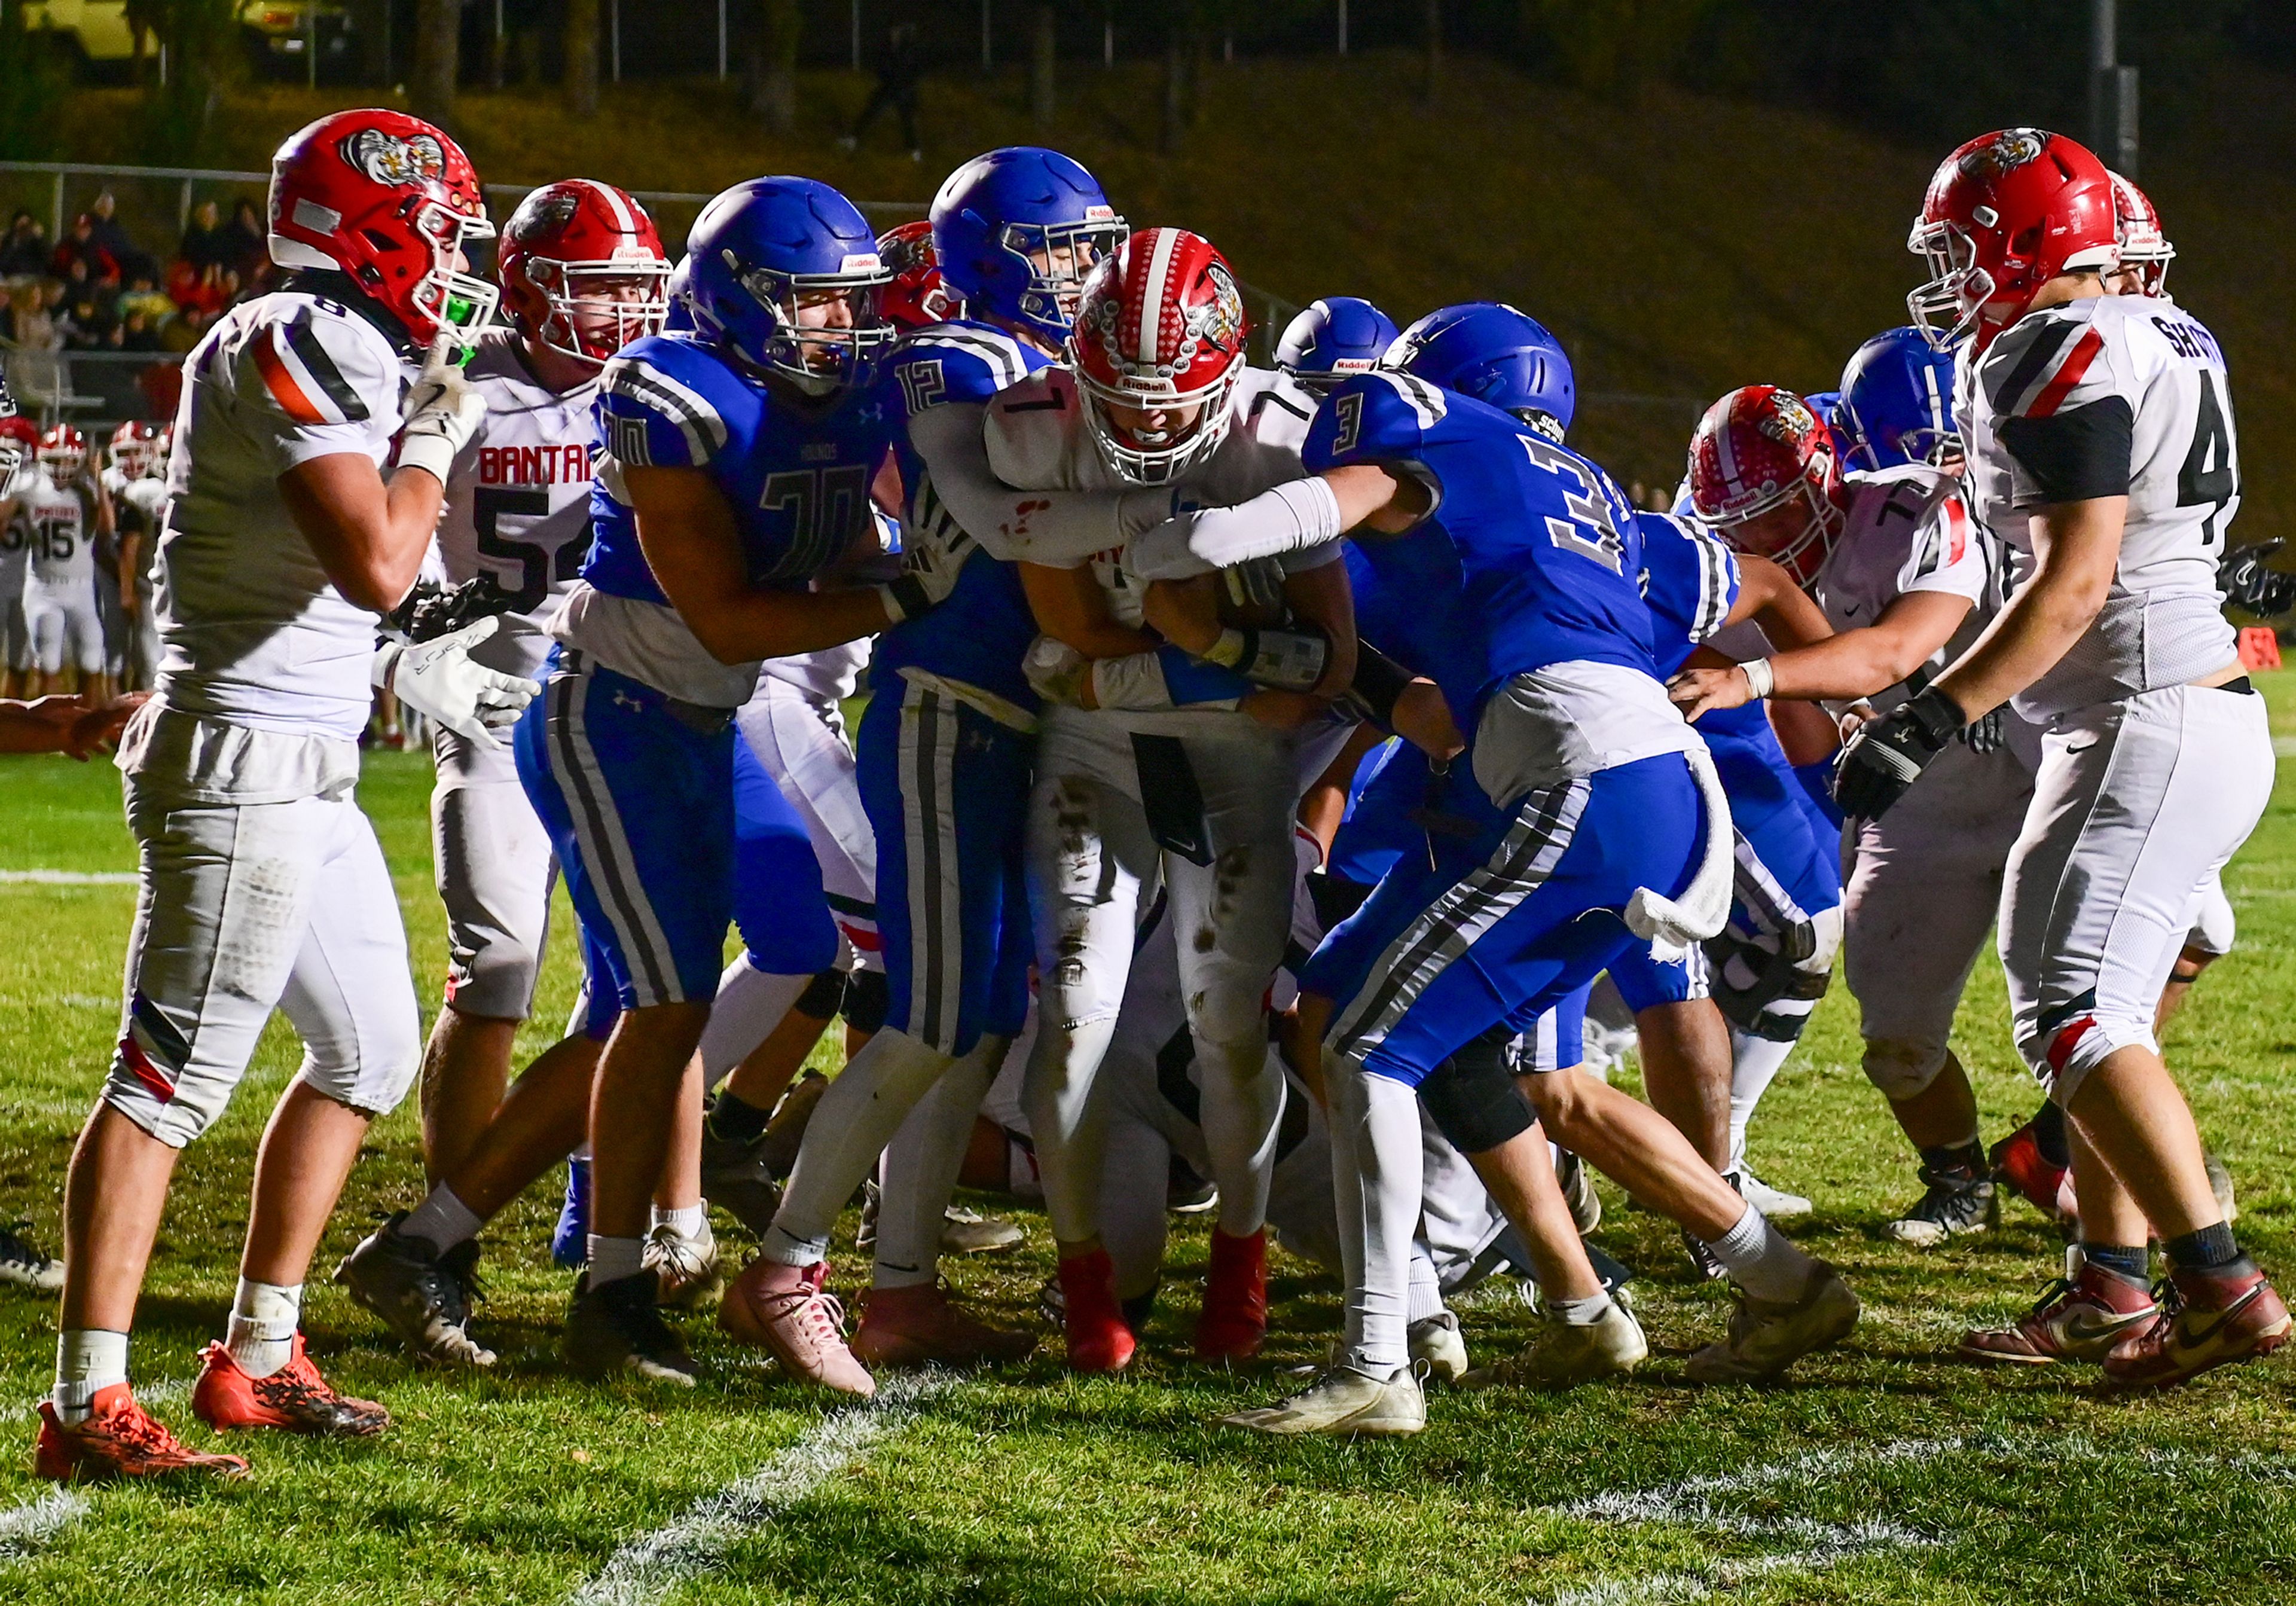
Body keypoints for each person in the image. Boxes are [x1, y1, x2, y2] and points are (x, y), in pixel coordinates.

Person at [1131, 302, 1859, 1436]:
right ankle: (1738, 1286)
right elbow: (1412, 695)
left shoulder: (1428, 465)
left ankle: (1387, 1354)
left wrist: (1168, 557)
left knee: (1392, 1046)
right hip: (1577, 788)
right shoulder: (1599, 512)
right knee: (1345, 1014)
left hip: (1573, 788)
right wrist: (1811, 709)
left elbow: (1320, 598)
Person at [34, 108, 532, 1483]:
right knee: (166, 1078)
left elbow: (373, 588)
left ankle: (258, 1350)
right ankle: (86, 1397)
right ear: (367, 229)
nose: (453, 256)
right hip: (241, 757)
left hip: (307, 758)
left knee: (369, 1050)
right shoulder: (292, 336)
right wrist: (439, 433)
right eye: (437, 228)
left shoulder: (345, 343)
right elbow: (374, 557)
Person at [1839, 127, 2285, 1385]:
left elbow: (2075, 583)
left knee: (2075, 1012)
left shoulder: (2055, 348)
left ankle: (2224, 1285)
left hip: (2144, 713)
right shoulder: (2162, 332)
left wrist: (1930, 715)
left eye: (1958, 245)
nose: (1944, 272)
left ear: (2027, 237)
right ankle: (2111, 1284)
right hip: (2170, 708)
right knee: (2091, 1012)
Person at [511, 175, 931, 1385]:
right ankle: (601, 1263)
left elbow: (843, 537)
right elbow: (735, 616)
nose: (835, 327)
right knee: (656, 999)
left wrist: (901, 549)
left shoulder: (846, 392)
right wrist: (915, 588)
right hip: (625, 703)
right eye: (810, 302)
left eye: (844, 303)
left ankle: (499, 1239)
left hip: (709, 714)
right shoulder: (671, 389)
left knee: (687, 992)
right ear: (740, 296)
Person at [725, 148, 1131, 1393]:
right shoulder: (960, 359)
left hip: (1012, 711)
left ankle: (902, 1290)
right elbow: (978, 488)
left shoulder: (1044, 367)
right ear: (1003, 257)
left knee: (980, 1019)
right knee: (932, 1012)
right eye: (1068, 249)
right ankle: (787, 1267)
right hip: (949, 705)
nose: (1090, 271)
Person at [334, 179, 689, 1369]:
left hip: (623, 698)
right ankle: (449, 1245)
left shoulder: (662, 385)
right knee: (496, 967)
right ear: (534, 287)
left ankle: (652, 1216)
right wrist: (416, 652)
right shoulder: (458, 380)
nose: (622, 314)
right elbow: (377, 548)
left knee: (653, 969)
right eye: (598, 292)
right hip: (490, 705)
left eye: (639, 289)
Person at [1668, 378, 2016, 1246]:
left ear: (1828, 477)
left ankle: (2101, 1184)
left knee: (2084, 996)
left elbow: (1894, 652)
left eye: (1777, 514)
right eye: (1737, 524)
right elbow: (1813, 745)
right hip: (1917, 796)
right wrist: (1776, 656)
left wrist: (1760, 670)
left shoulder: (1910, 511)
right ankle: (1962, 1179)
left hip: (2036, 762)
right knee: (1896, 1030)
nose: (1756, 539)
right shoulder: (1734, 559)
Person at [20, 425, 114, 703]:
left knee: (93, 659)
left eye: (68, 460)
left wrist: (98, 481)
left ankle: (87, 729)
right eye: (56, 459)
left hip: (82, 590)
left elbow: (108, 530)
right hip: (44, 589)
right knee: (48, 664)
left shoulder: (87, 491)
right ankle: (51, 732)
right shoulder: (30, 487)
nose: (62, 467)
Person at [103, 420, 169, 693]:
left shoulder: (148, 490)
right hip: (142, 585)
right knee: (142, 662)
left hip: (171, 589)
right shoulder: (143, 492)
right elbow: (127, 547)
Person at [841, 24, 926, 160]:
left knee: (907, 121)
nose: (894, 34)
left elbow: (914, 71)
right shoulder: (889, 48)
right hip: (889, 87)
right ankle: (853, 139)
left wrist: (907, 85)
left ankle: (914, 150)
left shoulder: (910, 50)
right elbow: (882, 66)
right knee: (871, 113)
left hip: (903, 90)